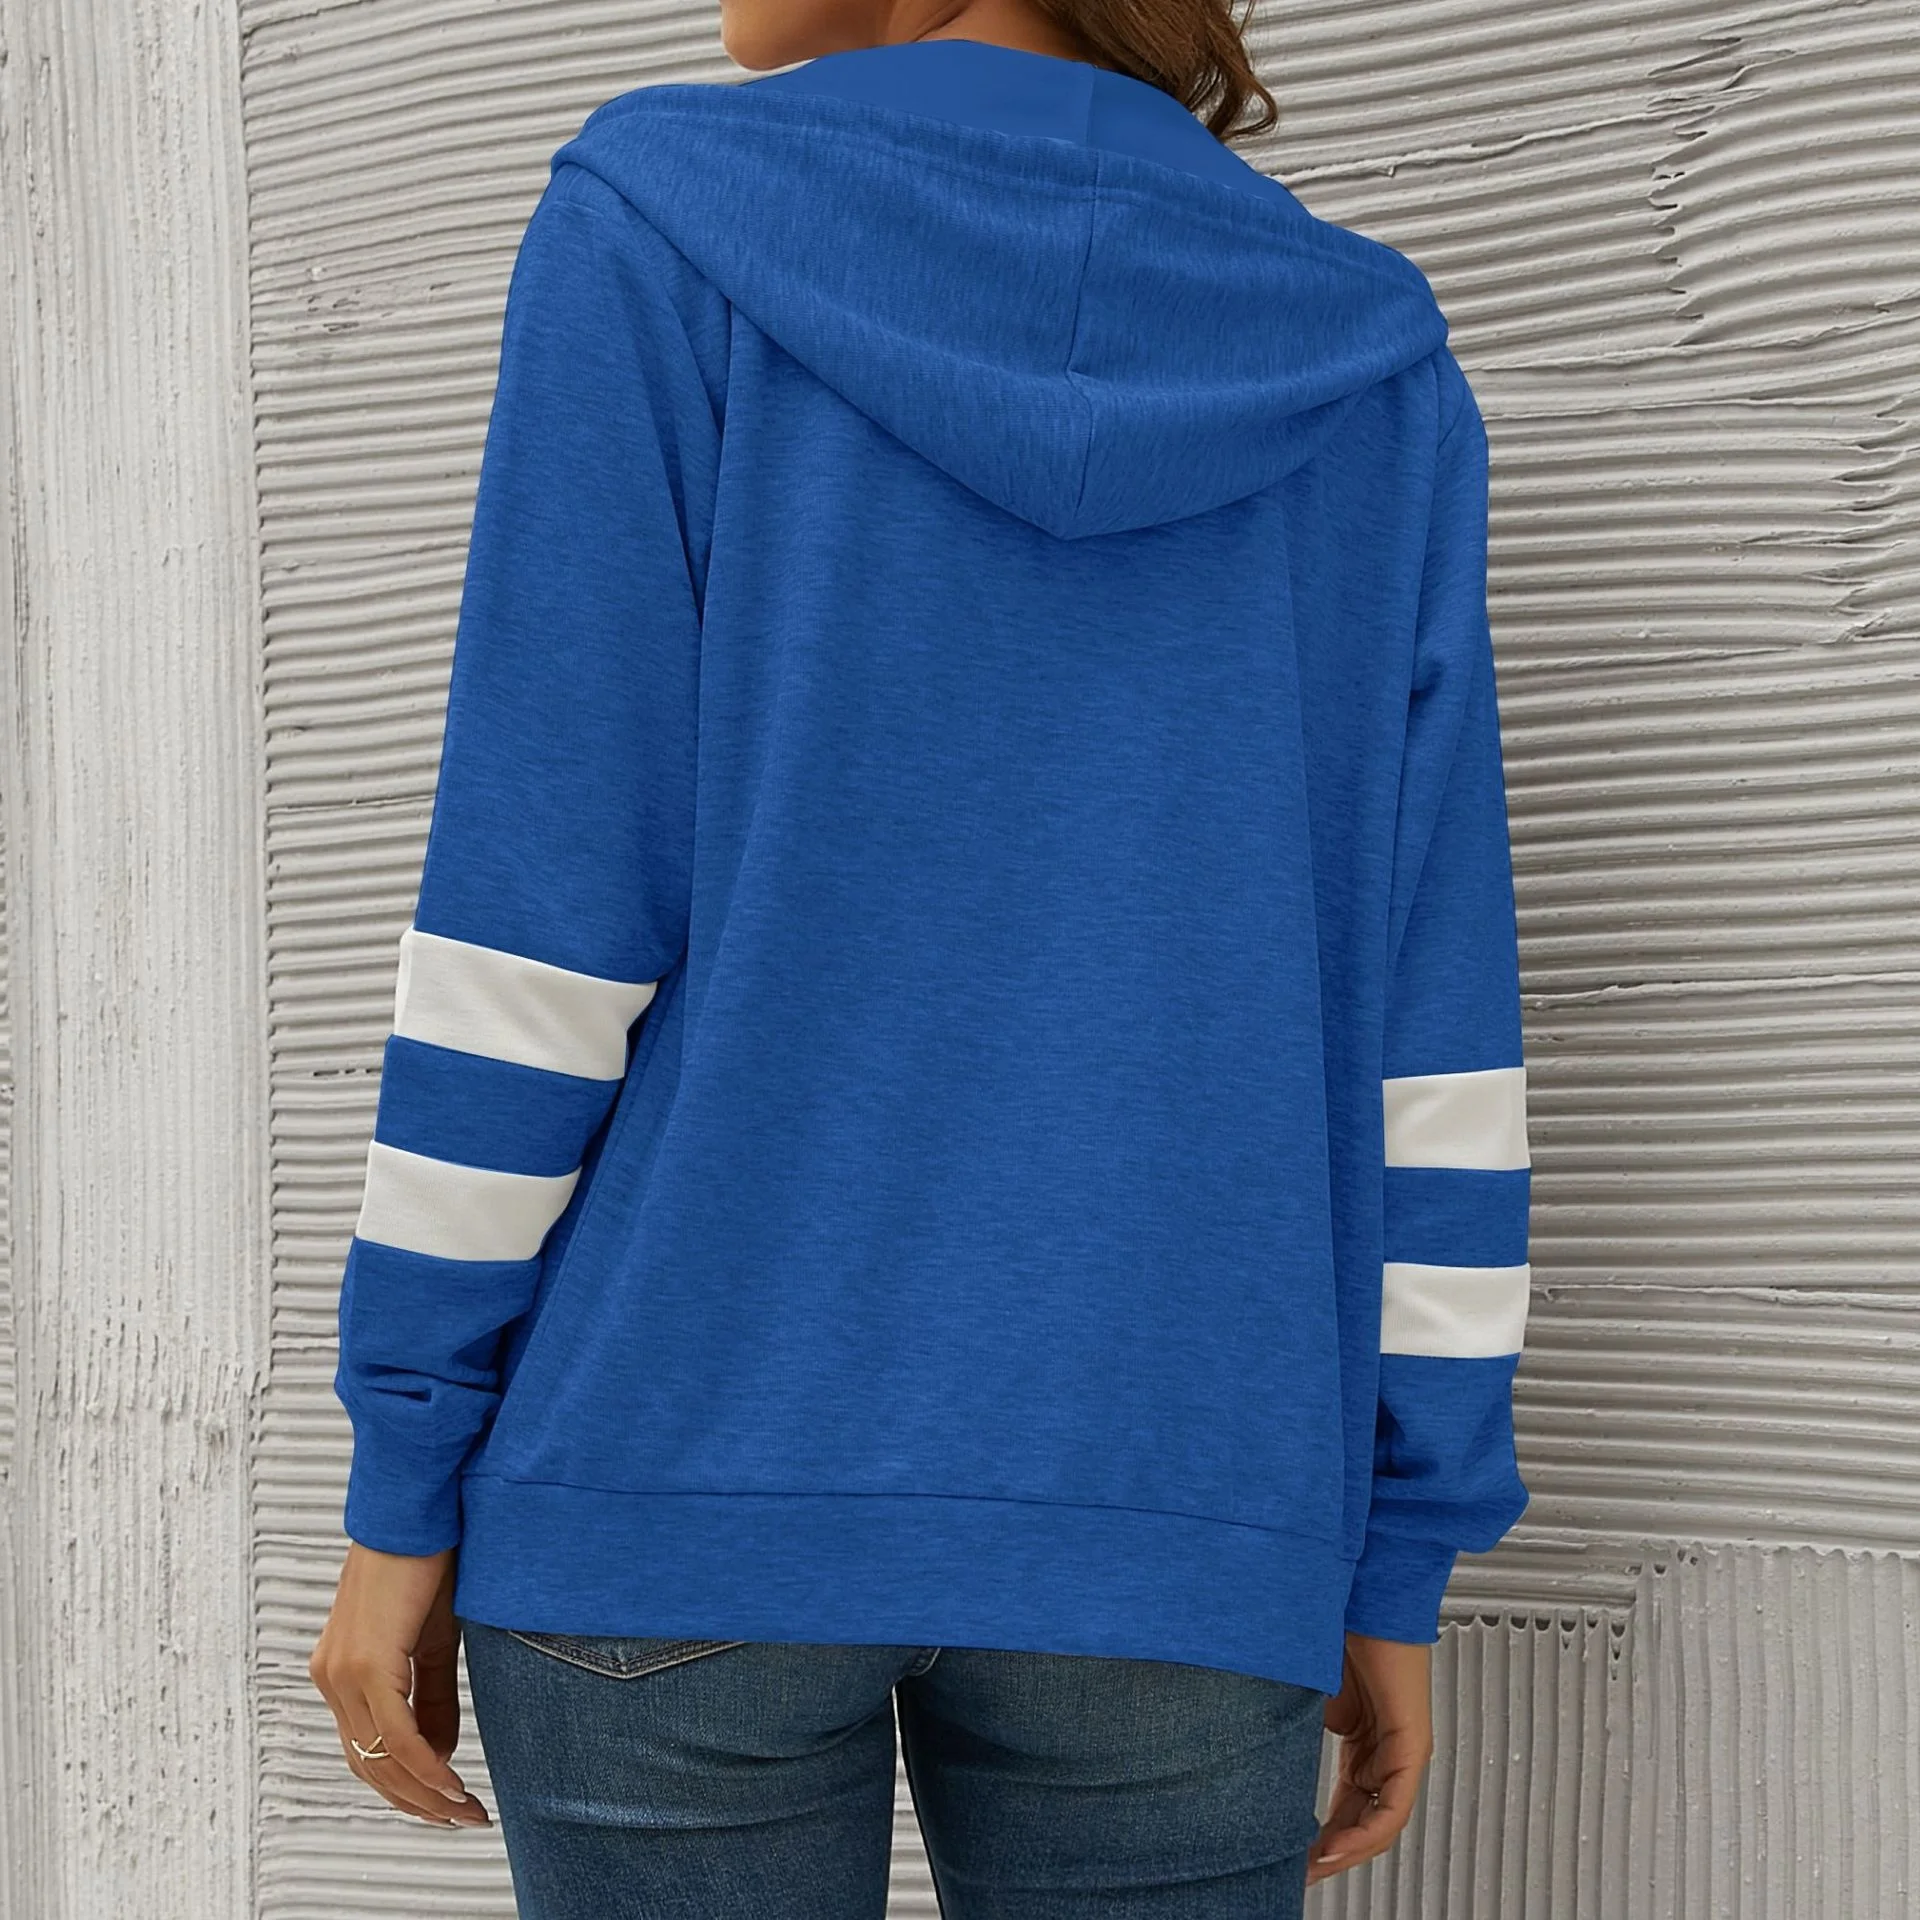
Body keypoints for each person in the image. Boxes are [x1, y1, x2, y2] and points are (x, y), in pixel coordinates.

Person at [307, 3, 1533, 1915]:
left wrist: (406, 1464)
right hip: (1188, 1511)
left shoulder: (658, 220)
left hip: (669, 1478)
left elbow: (539, 918)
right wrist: (1399, 1538)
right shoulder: (1367, 351)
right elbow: (1429, 1014)